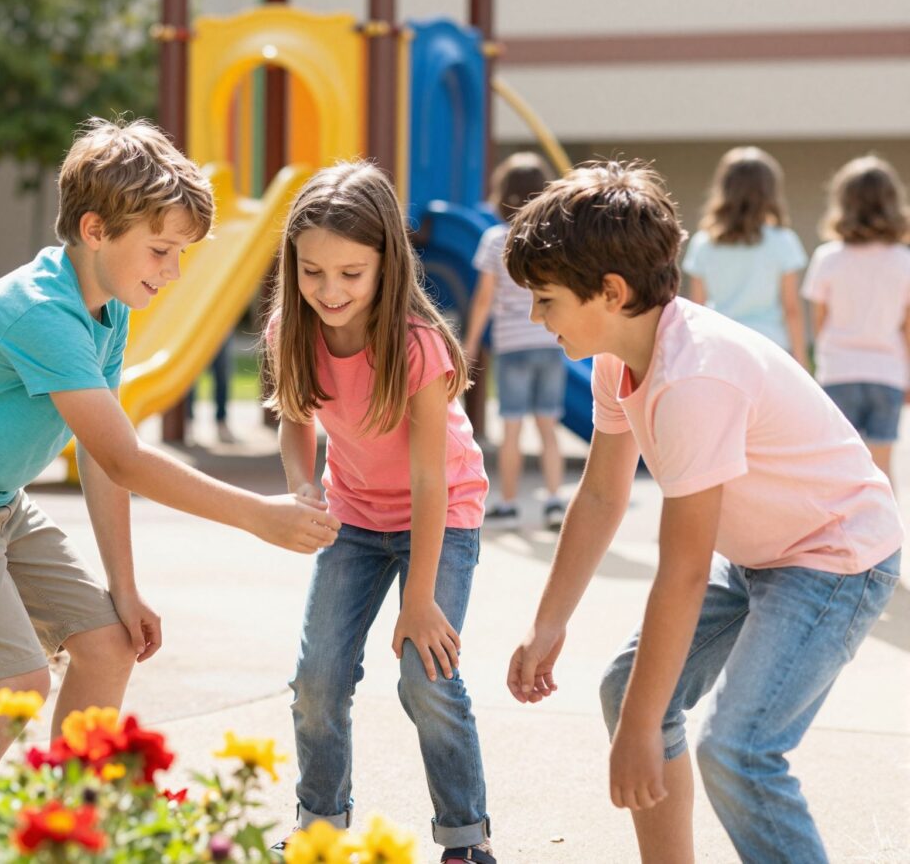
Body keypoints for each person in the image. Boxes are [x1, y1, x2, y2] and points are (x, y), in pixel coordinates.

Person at [0, 119, 340, 772]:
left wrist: (125, 587)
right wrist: (259, 515)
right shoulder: (42, 312)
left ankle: (68, 829)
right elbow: (124, 460)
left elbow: (103, 452)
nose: (172, 272)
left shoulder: (106, 308)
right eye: (161, 250)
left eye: (181, 254)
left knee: (110, 644)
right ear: (94, 230)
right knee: (16, 685)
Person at [504, 161, 901, 864]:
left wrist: (637, 731)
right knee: (631, 688)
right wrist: (548, 622)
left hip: (836, 556)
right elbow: (600, 495)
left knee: (738, 752)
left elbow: (683, 572)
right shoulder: (615, 357)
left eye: (546, 299)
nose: (537, 317)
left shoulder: (694, 378)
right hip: (761, 555)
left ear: (611, 292)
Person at [265, 163, 494, 864]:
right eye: (312, 273)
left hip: (442, 514)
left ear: (386, 265)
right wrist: (304, 485)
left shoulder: (418, 346)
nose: (329, 292)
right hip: (354, 519)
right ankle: (321, 831)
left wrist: (419, 599)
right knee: (317, 682)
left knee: (426, 680)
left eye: (350, 274)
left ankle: (465, 842)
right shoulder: (291, 330)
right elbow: (295, 419)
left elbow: (431, 478)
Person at [463, 152, 565, 529]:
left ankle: (508, 502)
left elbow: (484, 299)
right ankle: (554, 500)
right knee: (547, 427)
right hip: (551, 342)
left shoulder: (495, 240)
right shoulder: (554, 239)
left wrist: (471, 342)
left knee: (511, 427)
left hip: (511, 348)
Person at [803, 156, 910, 488]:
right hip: (886, 372)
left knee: (840, 467)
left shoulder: (828, 257)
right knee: (882, 469)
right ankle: (887, 538)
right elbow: (906, 327)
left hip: (838, 371)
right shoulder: (903, 260)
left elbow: (819, 322)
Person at [683, 146, 809, 367]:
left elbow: (697, 308)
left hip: (720, 347)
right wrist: (802, 361)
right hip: (771, 348)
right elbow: (792, 309)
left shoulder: (703, 243)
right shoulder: (783, 240)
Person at [184, 338, 236, 444]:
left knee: (222, 373)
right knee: (190, 377)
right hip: (196, 332)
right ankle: (189, 421)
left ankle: (221, 421)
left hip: (220, 331)